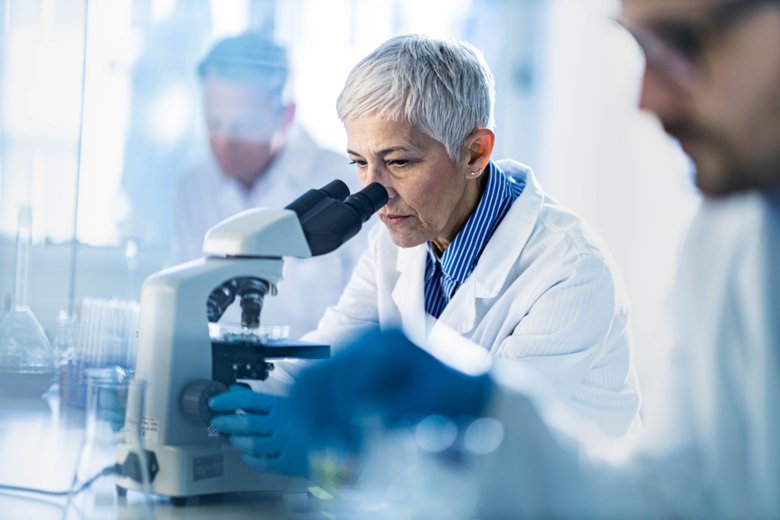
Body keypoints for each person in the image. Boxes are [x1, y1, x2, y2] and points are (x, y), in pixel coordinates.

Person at [210, 0, 780, 517]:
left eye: (685, 42)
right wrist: (227, 395)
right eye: (359, 163)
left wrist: (341, 453)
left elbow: (502, 477)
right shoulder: (729, 235)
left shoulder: (569, 272)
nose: (645, 98)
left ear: (475, 152)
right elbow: (679, 496)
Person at [171, 33, 361, 338]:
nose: (224, 142)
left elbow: (366, 320)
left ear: (286, 116)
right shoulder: (194, 187)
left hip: (313, 378)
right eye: (214, 123)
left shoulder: (349, 182)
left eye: (243, 126)